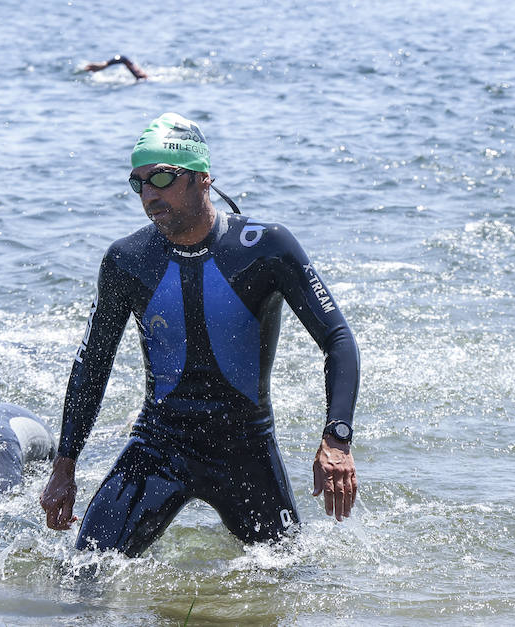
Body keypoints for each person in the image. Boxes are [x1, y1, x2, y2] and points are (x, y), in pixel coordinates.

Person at [39, 112, 361, 557]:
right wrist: (64, 466)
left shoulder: (266, 247)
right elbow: (93, 364)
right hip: (158, 446)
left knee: (290, 581)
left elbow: (339, 340)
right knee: (83, 570)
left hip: (245, 449)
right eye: (139, 183)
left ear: (202, 178)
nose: (149, 195)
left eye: (162, 178)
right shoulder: (126, 260)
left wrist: (337, 438)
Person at [83, 55, 148, 81]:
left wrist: (105, 65)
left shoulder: (142, 78)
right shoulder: (143, 77)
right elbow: (123, 59)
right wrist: (105, 64)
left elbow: (124, 59)